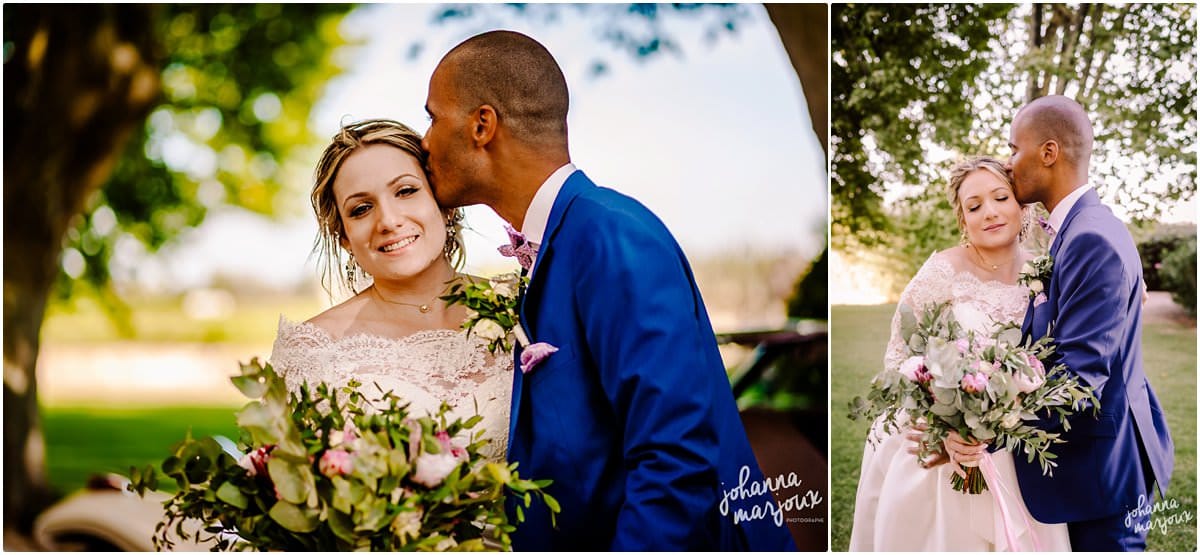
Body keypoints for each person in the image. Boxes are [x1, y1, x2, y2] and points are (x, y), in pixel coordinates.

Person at [422, 30, 796, 551]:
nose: (425, 140)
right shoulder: (560, 241)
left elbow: (676, 457)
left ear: (482, 125)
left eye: (433, 117)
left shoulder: (610, 234)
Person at [969, 94, 1172, 551]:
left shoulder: (1089, 239)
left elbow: (1079, 380)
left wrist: (982, 426)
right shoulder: (1085, 229)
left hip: (1100, 476)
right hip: (1103, 462)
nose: (1008, 161)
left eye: (1013, 148)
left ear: (1048, 153)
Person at [849, 156, 1072, 551]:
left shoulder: (1047, 270)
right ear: (963, 220)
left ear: (1020, 205)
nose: (989, 212)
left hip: (1017, 447)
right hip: (941, 446)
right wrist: (942, 424)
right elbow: (902, 355)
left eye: (1000, 198)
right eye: (974, 206)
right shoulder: (942, 270)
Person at [269, 119, 513, 462]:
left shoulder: (522, 308)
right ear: (345, 238)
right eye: (361, 209)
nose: (388, 220)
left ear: (444, 204)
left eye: (406, 191)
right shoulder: (313, 353)